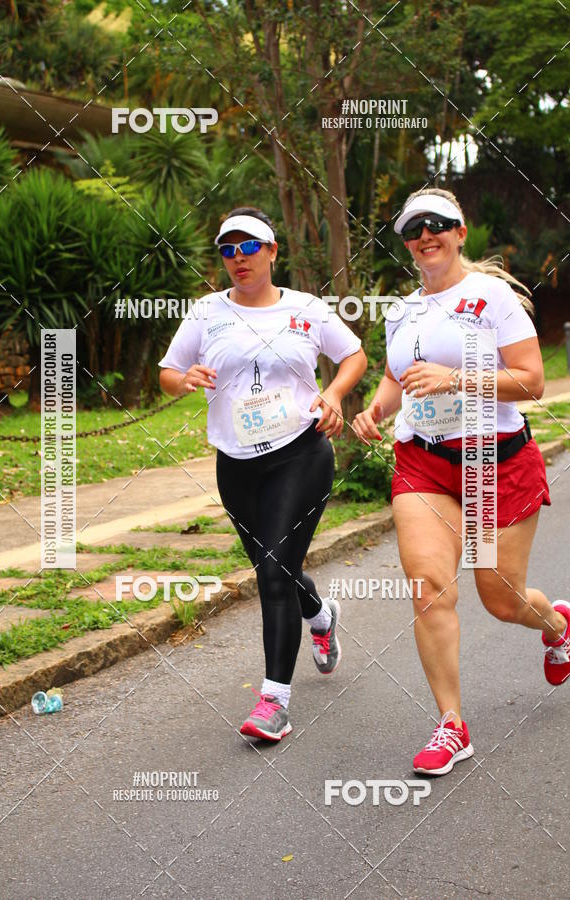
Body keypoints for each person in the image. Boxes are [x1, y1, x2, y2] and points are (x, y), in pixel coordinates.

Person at [352, 187, 570, 776]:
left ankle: (557, 624)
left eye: (437, 224)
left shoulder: (491, 296)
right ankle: (452, 725)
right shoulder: (402, 311)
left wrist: (460, 377)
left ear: (460, 231)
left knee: (501, 600)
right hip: (423, 460)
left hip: (496, 462)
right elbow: (400, 378)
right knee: (428, 585)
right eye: (413, 228)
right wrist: (376, 409)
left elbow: (531, 383)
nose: (425, 235)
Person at [159, 206, 367, 741]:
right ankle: (320, 615)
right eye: (227, 249)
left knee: (273, 571)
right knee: (276, 567)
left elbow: (354, 355)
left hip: (301, 451)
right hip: (237, 462)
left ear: (272, 251)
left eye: (248, 246)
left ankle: (274, 703)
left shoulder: (307, 309)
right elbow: (167, 372)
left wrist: (335, 394)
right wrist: (185, 379)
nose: (237, 258)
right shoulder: (207, 312)